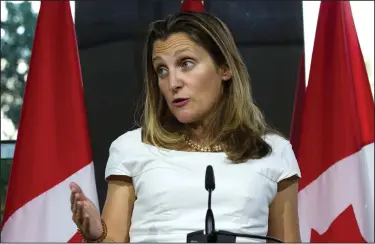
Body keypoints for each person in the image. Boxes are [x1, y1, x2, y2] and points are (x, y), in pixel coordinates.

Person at [70, 11, 302, 243]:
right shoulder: (131, 147)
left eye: (186, 64)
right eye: (162, 69)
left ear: (225, 68)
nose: (172, 83)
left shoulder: (274, 151)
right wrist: (96, 235)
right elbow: (113, 240)